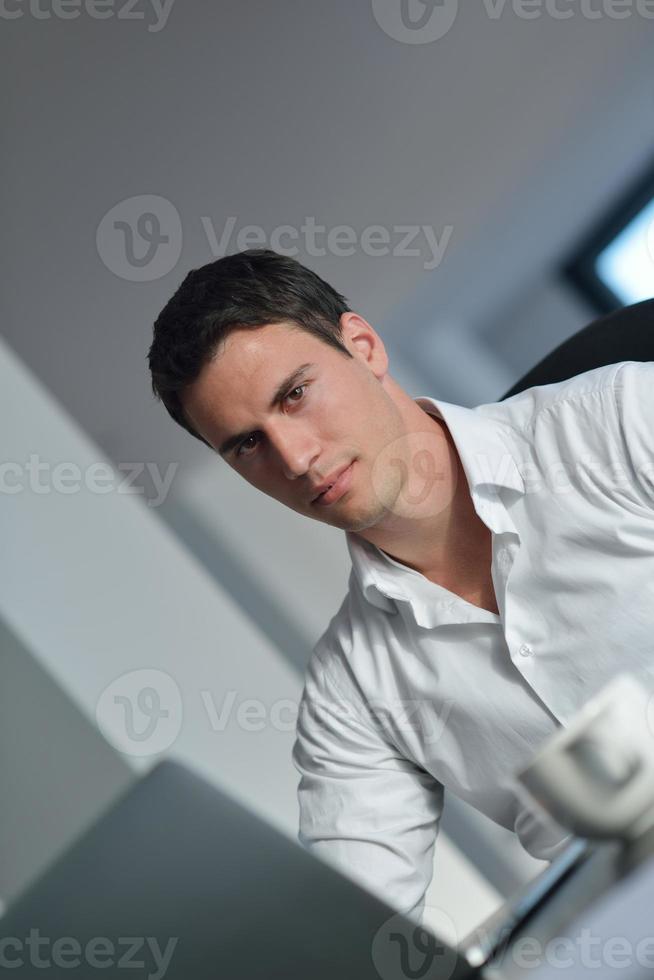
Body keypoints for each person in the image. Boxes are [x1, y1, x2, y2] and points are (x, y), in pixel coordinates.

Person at [147, 248, 654, 926]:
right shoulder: (350, 690)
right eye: (247, 444)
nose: (296, 459)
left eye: (295, 394)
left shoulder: (620, 419)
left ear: (363, 345)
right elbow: (350, 932)